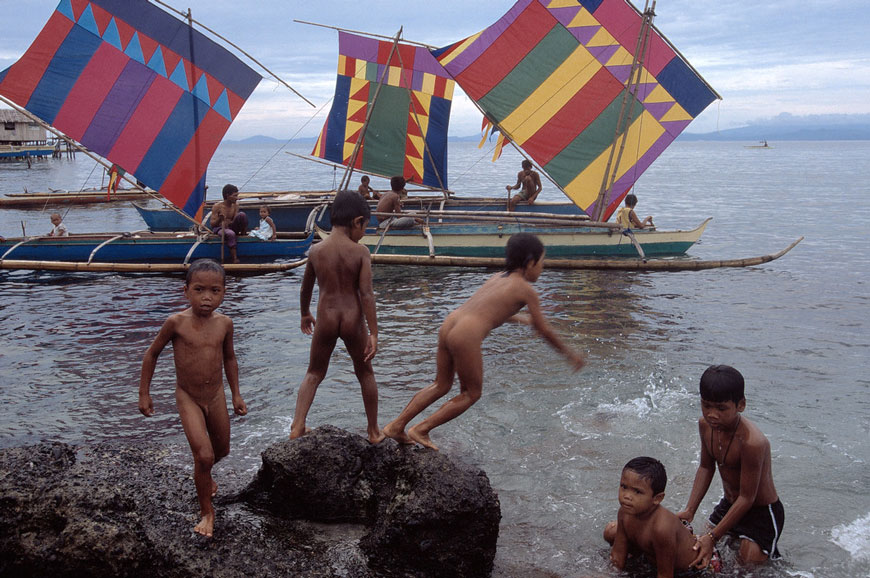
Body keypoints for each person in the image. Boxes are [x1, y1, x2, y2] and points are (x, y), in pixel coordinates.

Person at [383, 233, 585, 450]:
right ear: (529, 263)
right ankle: (421, 429)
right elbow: (543, 329)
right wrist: (569, 354)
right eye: (542, 262)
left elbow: (490, 310)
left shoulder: (498, 277)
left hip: (450, 323)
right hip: (466, 335)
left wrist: (522, 319)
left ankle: (397, 425)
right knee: (471, 393)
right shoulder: (527, 290)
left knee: (441, 384)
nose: (543, 267)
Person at [138, 259, 247, 538]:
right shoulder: (176, 323)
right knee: (204, 455)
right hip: (188, 396)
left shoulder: (225, 324)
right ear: (185, 291)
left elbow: (230, 358)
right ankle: (206, 512)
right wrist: (144, 393)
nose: (207, 297)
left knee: (222, 451)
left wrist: (236, 394)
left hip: (215, 395)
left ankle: (204, 475)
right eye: (199, 290)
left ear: (224, 292)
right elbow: (151, 354)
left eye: (215, 291)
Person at [290, 190, 384, 443]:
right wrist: (374, 332)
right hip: (353, 319)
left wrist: (304, 313)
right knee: (365, 373)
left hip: (326, 317)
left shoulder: (316, 251)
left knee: (314, 372)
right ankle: (374, 431)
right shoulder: (360, 252)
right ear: (357, 221)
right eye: (365, 226)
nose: (364, 232)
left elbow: (305, 287)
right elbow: (366, 294)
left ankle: (298, 426)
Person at [677, 365, 784, 568]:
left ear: (741, 405)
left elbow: (747, 497)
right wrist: (690, 509)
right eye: (706, 405)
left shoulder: (753, 442)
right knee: (697, 549)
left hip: (761, 511)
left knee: (748, 561)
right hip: (730, 503)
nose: (712, 414)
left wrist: (713, 536)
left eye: (721, 408)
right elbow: (706, 468)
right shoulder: (705, 425)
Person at [604, 457, 715, 577]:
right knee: (610, 532)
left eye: (637, 492)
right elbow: (618, 555)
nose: (627, 496)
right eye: (624, 487)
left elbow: (665, 575)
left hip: (694, 570)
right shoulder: (624, 513)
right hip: (656, 559)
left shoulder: (661, 528)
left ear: (657, 498)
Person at [210, 184, 249, 263]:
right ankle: (234, 258)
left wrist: (230, 222)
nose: (237, 198)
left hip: (230, 227)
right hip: (220, 228)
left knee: (242, 215)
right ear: (227, 195)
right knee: (230, 234)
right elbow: (212, 224)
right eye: (235, 196)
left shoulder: (235, 206)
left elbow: (235, 220)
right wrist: (220, 220)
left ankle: (243, 235)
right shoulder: (217, 206)